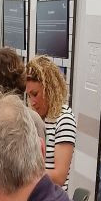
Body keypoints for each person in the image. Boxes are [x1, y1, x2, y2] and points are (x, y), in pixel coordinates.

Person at [26, 55, 76, 190]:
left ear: (50, 90)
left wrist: (24, 174)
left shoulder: (64, 119)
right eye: (29, 96)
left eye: (35, 94)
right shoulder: (34, 118)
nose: (32, 102)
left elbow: (59, 177)